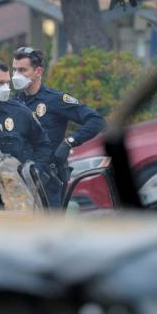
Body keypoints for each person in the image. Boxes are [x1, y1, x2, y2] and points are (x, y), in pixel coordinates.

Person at [12, 46, 106, 208]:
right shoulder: (13, 102)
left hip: (49, 182)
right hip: (20, 180)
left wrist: (69, 142)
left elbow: (96, 120)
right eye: (14, 70)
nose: (16, 75)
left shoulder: (55, 100)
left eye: (22, 70)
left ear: (38, 71)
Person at [0, 57, 52, 186]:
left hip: (14, 191)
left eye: (7, 83)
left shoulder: (20, 113)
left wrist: (33, 172)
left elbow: (43, 145)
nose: (6, 88)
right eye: (0, 83)